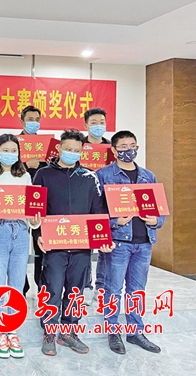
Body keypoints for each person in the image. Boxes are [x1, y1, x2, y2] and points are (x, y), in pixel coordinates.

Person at [34, 129, 113, 357]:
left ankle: (68, 331)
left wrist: (103, 238)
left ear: (82, 151)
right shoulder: (43, 175)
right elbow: (36, 209)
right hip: (54, 245)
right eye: (68, 149)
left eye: (77, 150)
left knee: (76, 291)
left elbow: (97, 211)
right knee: (53, 289)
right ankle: (50, 332)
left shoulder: (89, 177)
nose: (72, 153)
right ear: (59, 148)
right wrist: (38, 234)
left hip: (81, 246)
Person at [97, 130, 165, 355]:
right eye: (123, 147)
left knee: (137, 289)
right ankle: (113, 330)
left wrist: (157, 220)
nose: (129, 150)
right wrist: (114, 221)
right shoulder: (103, 175)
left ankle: (136, 331)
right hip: (118, 242)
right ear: (114, 150)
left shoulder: (148, 176)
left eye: (132, 146)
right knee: (113, 288)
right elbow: (95, 212)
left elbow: (159, 210)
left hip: (144, 242)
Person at [0, 134, 41, 358]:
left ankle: (12, 330)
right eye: (6, 150)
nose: (10, 154)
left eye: (14, 151)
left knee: (16, 283)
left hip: (21, 232)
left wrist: (35, 221)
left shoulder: (25, 176)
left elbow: (32, 209)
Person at [81, 107, 111, 305]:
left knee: (104, 245)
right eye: (94, 123)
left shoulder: (111, 149)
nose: (98, 126)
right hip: (84, 202)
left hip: (106, 202)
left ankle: (101, 287)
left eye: (101, 122)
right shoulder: (79, 146)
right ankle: (85, 286)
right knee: (84, 247)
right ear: (86, 125)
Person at [18, 105, 46, 296]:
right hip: (19, 198)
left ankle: (40, 282)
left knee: (39, 243)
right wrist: (26, 165)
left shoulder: (47, 144)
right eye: (30, 119)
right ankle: (22, 284)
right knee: (20, 244)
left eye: (37, 119)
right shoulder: (14, 143)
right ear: (22, 121)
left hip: (41, 199)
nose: (34, 123)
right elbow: (6, 169)